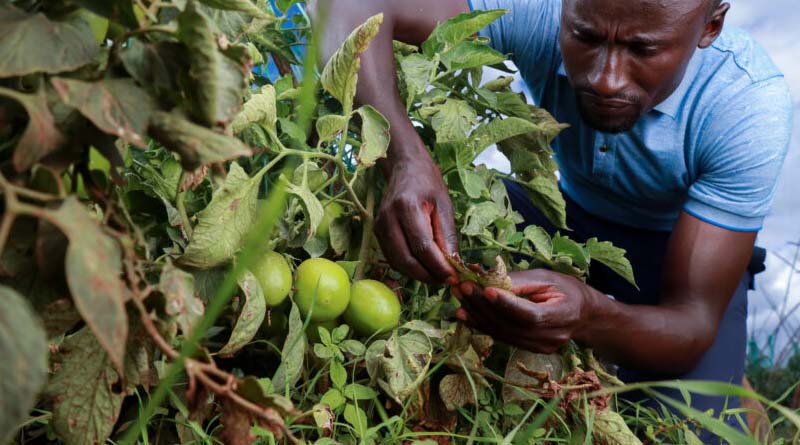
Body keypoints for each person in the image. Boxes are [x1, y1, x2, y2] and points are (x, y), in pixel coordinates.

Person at [313, 0, 793, 439]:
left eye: (642, 49)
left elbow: (690, 320)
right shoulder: (542, 12)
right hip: (564, 218)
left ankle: (730, 378)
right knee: (433, 224)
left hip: (684, 257)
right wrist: (405, 156)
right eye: (585, 38)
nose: (606, 78)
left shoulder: (747, 106)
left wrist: (589, 314)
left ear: (709, 27)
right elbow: (353, 4)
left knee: (691, 428)